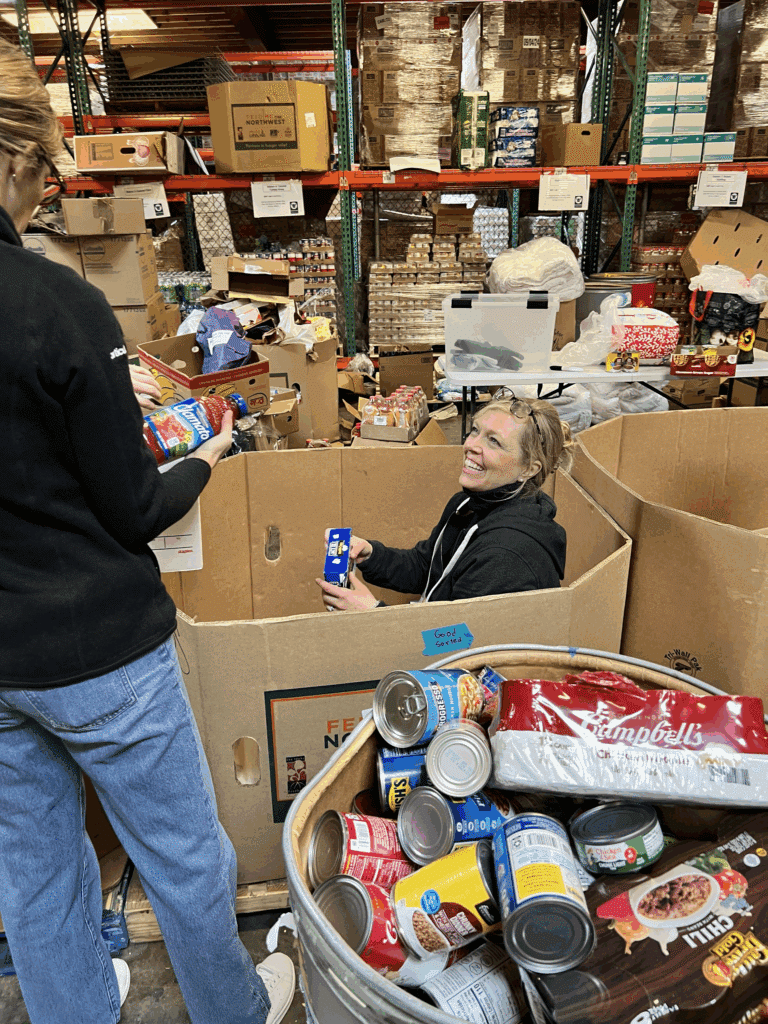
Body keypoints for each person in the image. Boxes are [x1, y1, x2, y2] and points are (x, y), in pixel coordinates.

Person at [0, 40, 294, 1024]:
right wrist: (210, 451)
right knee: (184, 854)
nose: (49, 195)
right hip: (100, 651)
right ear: (13, 161)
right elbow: (133, 507)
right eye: (43, 174)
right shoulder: (57, 307)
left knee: (35, 874)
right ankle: (232, 1010)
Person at [316, 391, 574, 612]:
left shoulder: (507, 556)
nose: (471, 445)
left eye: (493, 441)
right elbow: (426, 566)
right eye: (475, 430)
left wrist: (373, 613)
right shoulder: (468, 504)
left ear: (528, 469)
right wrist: (371, 555)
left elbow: (462, 642)